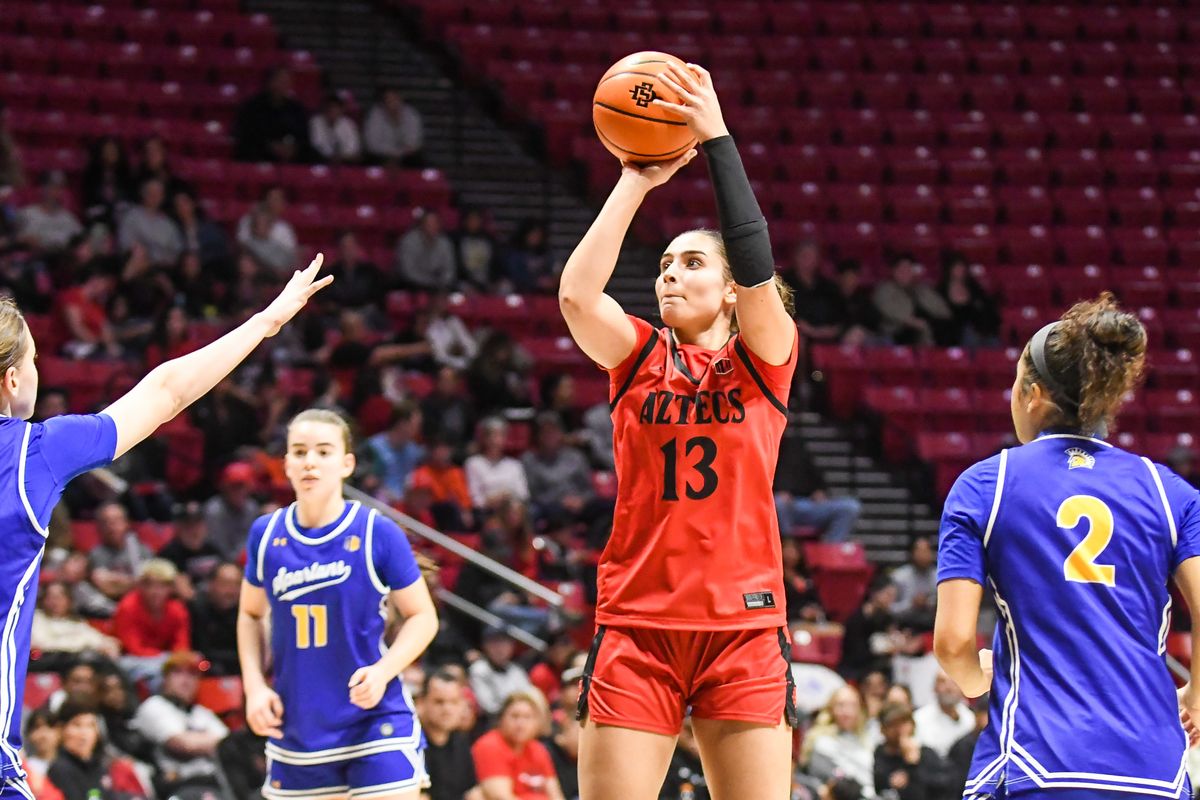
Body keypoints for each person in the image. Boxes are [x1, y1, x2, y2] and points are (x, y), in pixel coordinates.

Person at [0, 253, 330, 796]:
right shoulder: (34, 453)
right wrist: (267, 321)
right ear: (13, 379)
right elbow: (166, 392)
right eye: (36, 361)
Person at [558, 63, 799, 800]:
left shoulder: (763, 358)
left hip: (744, 629)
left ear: (727, 289)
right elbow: (575, 294)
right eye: (663, 264)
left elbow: (758, 270)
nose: (669, 274)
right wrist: (639, 174)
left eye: (691, 262)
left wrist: (717, 139)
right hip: (638, 626)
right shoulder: (635, 356)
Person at [934, 292, 1200, 799]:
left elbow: (951, 642)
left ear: (1032, 394)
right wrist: (1198, 698)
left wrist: (973, 680)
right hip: (1156, 771)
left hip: (1037, 762)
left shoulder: (986, 484)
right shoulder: (1172, 492)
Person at [237, 408, 439, 800]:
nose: (310, 461)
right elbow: (249, 613)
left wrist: (384, 671)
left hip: (374, 718)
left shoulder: (376, 531)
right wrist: (254, 687)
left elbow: (423, 617)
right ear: (287, 465)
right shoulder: (265, 535)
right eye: (299, 451)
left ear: (347, 464)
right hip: (298, 724)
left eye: (323, 452)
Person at [131, 651, 227, 796]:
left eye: (192, 674)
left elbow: (231, 746)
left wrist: (200, 740)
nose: (186, 680)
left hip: (214, 782)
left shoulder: (202, 712)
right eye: (178, 673)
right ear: (165, 678)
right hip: (176, 786)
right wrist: (211, 740)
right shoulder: (154, 705)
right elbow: (183, 745)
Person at [470, 692, 565, 800]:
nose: (521, 724)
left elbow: (556, 795)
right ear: (501, 719)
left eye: (527, 717)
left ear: (537, 722)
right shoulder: (490, 745)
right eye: (515, 716)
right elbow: (500, 796)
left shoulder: (538, 749)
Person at [112, 559, 191, 688]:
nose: (156, 591)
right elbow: (134, 647)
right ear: (141, 586)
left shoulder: (177, 610)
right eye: (150, 585)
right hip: (131, 660)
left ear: (170, 588)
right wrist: (166, 660)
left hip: (164, 660)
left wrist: (174, 660)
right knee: (156, 673)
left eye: (162, 586)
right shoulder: (128, 606)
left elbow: (181, 645)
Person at [47, 701, 146, 800]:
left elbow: (109, 796)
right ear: (61, 729)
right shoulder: (60, 770)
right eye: (77, 725)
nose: (84, 734)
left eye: (90, 725)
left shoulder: (99, 766)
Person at [798, 685, 875, 794]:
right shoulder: (821, 741)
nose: (847, 712)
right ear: (831, 709)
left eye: (852, 705)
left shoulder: (867, 738)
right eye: (841, 705)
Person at [420, 670, 482, 800]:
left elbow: (472, 791)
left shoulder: (461, 741)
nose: (447, 709)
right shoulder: (412, 746)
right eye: (439, 702)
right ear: (422, 702)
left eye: (453, 702)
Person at [873, 702, 953, 800]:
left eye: (904, 722)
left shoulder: (926, 753)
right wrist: (909, 764)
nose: (899, 730)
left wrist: (913, 763)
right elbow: (881, 787)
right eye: (893, 724)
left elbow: (943, 788)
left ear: (913, 725)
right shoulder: (879, 756)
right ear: (882, 729)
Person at [234, 66, 312, 163]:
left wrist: (293, 147)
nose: (285, 85)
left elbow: (304, 135)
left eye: (287, 81)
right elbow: (246, 134)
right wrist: (270, 146)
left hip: (291, 155)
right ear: (270, 82)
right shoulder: (252, 107)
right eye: (281, 81)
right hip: (259, 153)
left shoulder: (297, 108)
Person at [872, 253, 952, 346]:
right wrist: (915, 323)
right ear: (894, 271)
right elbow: (891, 311)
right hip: (898, 330)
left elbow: (943, 310)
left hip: (928, 327)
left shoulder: (922, 289)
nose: (906, 273)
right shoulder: (884, 289)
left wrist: (934, 322)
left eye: (909, 269)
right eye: (902, 269)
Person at [158, 501, 223, 599]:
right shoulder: (167, 555)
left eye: (197, 524)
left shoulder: (213, 549)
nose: (194, 530)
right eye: (188, 525)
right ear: (178, 528)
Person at [467, 627, 535, 719]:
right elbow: (490, 707)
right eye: (495, 643)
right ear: (485, 645)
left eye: (505, 643)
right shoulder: (478, 670)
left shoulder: (517, 671)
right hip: (491, 722)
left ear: (512, 646)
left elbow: (529, 698)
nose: (500, 648)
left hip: (519, 718)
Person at [936, 252, 1000, 348]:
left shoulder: (973, 288)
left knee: (992, 341)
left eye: (962, 267)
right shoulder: (941, 291)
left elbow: (985, 308)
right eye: (957, 267)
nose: (960, 270)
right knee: (969, 334)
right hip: (954, 334)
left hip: (979, 330)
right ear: (950, 269)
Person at [118, 177, 185, 268]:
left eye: (158, 193)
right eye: (151, 192)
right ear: (143, 194)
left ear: (162, 197)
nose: (154, 196)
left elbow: (175, 252)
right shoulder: (132, 216)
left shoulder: (169, 224)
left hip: (163, 268)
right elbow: (126, 244)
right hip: (137, 265)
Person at [189, 562, 242, 676]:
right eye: (225, 584)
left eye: (237, 584)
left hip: (241, 671)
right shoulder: (195, 610)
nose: (231, 591)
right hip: (201, 671)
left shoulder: (247, 613)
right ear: (211, 584)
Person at [18, 171, 83, 255]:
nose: (56, 191)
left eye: (60, 187)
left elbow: (80, 240)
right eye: (52, 186)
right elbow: (18, 239)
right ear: (42, 188)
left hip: (63, 259)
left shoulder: (69, 218)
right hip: (36, 258)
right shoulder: (27, 213)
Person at [395, 211, 457, 293]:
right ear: (421, 225)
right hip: (411, 284)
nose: (433, 226)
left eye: (435, 223)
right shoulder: (409, 241)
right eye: (429, 223)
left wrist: (443, 282)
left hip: (438, 284)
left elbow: (449, 269)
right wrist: (430, 282)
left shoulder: (444, 242)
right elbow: (408, 272)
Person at [364, 88, 424, 167]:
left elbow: (414, 143)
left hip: (406, 156)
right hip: (382, 156)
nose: (393, 103)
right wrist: (393, 153)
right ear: (383, 103)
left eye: (395, 99)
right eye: (389, 100)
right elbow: (373, 144)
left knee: (417, 159)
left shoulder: (411, 115)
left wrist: (400, 153)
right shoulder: (375, 116)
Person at [890, 536, 937, 631]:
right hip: (904, 627)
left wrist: (929, 603)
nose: (923, 555)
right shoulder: (899, 577)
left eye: (926, 551)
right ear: (912, 553)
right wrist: (912, 604)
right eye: (919, 551)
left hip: (933, 628)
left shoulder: (939, 577)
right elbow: (890, 609)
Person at [310, 94, 362, 164]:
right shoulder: (316, 121)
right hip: (322, 159)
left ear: (342, 110)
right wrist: (332, 156)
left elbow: (353, 147)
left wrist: (341, 156)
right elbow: (317, 144)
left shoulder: (349, 124)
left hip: (346, 160)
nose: (332, 111)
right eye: (329, 108)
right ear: (324, 109)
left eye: (335, 108)